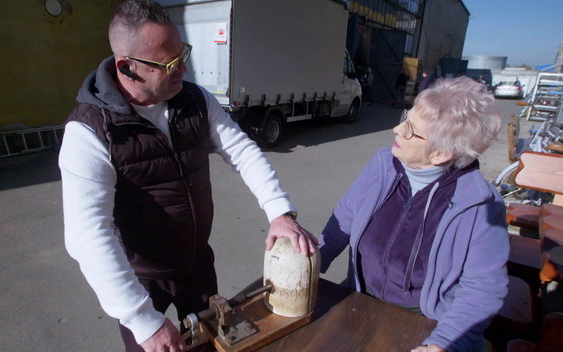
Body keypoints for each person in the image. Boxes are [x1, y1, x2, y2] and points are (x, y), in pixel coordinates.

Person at [58, 1, 318, 351]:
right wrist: (144, 322)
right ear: (127, 67)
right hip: (142, 280)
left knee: (214, 344)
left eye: (183, 55)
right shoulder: (90, 132)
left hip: (197, 264)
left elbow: (241, 150)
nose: (183, 69)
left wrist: (279, 212)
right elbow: (87, 234)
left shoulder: (194, 100)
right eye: (169, 63)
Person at [319, 76, 508, 352]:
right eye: (404, 118)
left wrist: (442, 344)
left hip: (424, 321)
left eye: (410, 130)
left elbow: (482, 289)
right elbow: (345, 218)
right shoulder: (384, 164)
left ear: (440, 154)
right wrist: (310, 260)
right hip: (360, 296)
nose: (396, 129)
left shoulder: (480, 204)